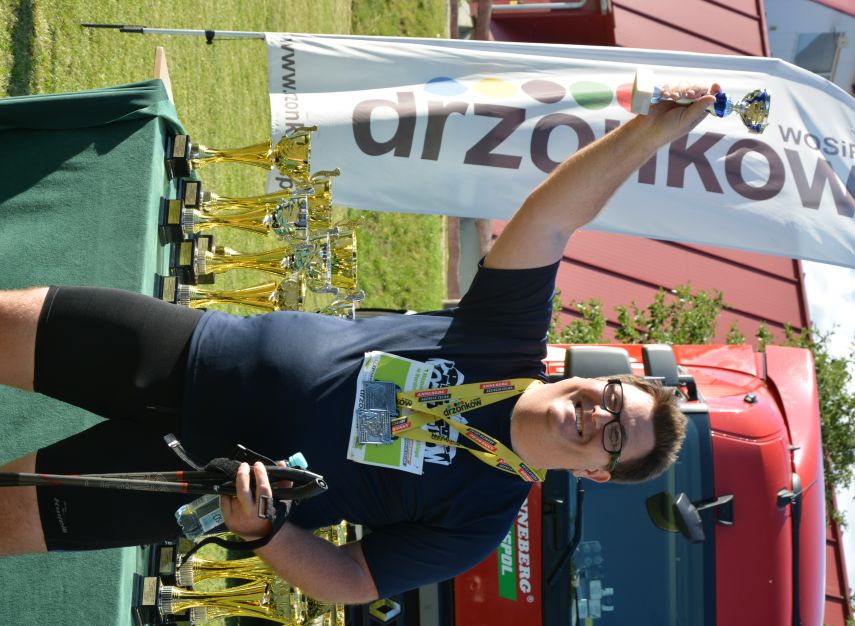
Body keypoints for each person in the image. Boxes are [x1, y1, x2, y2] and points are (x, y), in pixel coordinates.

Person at [0, 83, 716, 604]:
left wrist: (265, 534)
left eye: (614, 437)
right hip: (186, 354)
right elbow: (552, 219)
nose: (598, 414)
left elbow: (352, 581)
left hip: (196, 479)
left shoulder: (480, 522)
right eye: (614, 398)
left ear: (595, 474)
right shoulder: (506, 340)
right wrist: (648, 134)